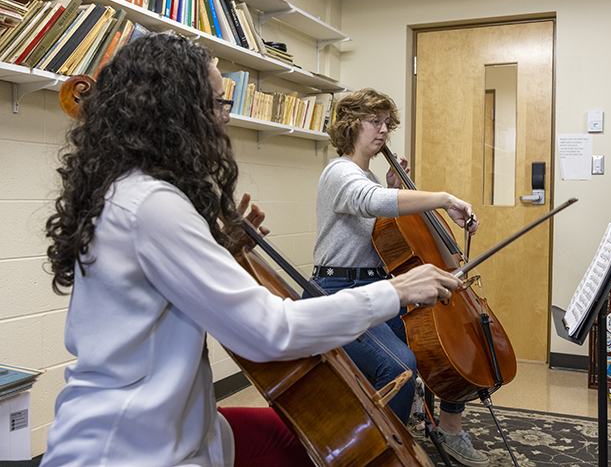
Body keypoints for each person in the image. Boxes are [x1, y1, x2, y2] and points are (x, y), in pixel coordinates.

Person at [41, 33, 461, 467]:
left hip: (174, 419)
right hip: (134, 445)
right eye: (218, 103)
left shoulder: (126, 189)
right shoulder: (151, 204)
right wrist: (397, 290)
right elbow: (269, 332)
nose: (224, 119)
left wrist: (217, 248)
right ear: (176, 111)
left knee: (315, 437)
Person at [308, 88, 489, 467]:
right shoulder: (339, 171)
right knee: (399, 364)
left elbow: (379, 216)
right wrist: (443, 197)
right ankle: (383, 453)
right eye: (376, 121)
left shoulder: (367, 176)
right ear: (350, 124)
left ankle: (450, 431)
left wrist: (393, 188)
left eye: (387, 123)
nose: (384, 130)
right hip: (337, 291)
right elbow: (370, 202)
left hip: (375, 286)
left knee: (451, 343)